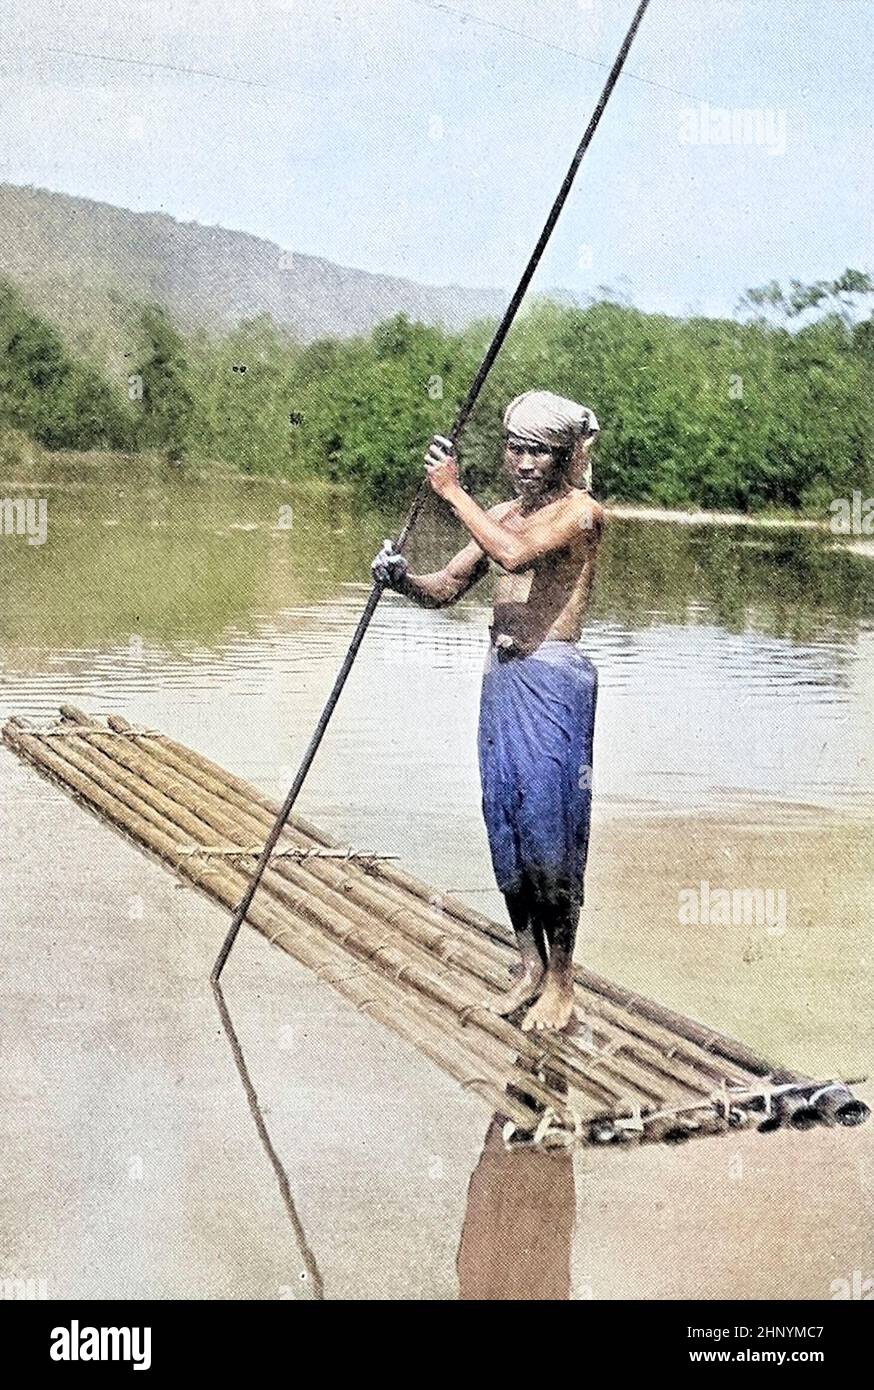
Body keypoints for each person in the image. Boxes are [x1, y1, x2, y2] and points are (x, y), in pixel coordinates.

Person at [372, 390, 603, 1032]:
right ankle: (528, 965)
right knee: (506, 826)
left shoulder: (580, 513)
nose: (526, 462)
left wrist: (451, 492)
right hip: (500, 679)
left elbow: (512, 554)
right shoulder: (501, 511)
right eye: (517, 448)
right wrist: (400, 579)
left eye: (541, 452)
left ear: (565, 456)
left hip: (551, 680)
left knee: (551, 832)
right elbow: (447, 587)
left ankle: (561, 982)